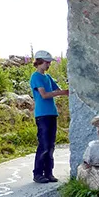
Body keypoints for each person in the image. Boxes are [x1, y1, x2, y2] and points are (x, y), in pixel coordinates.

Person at [29, 50, 68, 183]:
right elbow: (44, 95)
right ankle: (38, 173)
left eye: (49, 63)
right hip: (42, 114)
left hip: (52, 113)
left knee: (51, 145)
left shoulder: (48, 77)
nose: (48, 65)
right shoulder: (36, 77)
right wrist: (61, 93)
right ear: (39, 62)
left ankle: (49, 172)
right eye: (47, 62)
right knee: (44, 145)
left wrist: (67, 91)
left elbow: (58, 89)